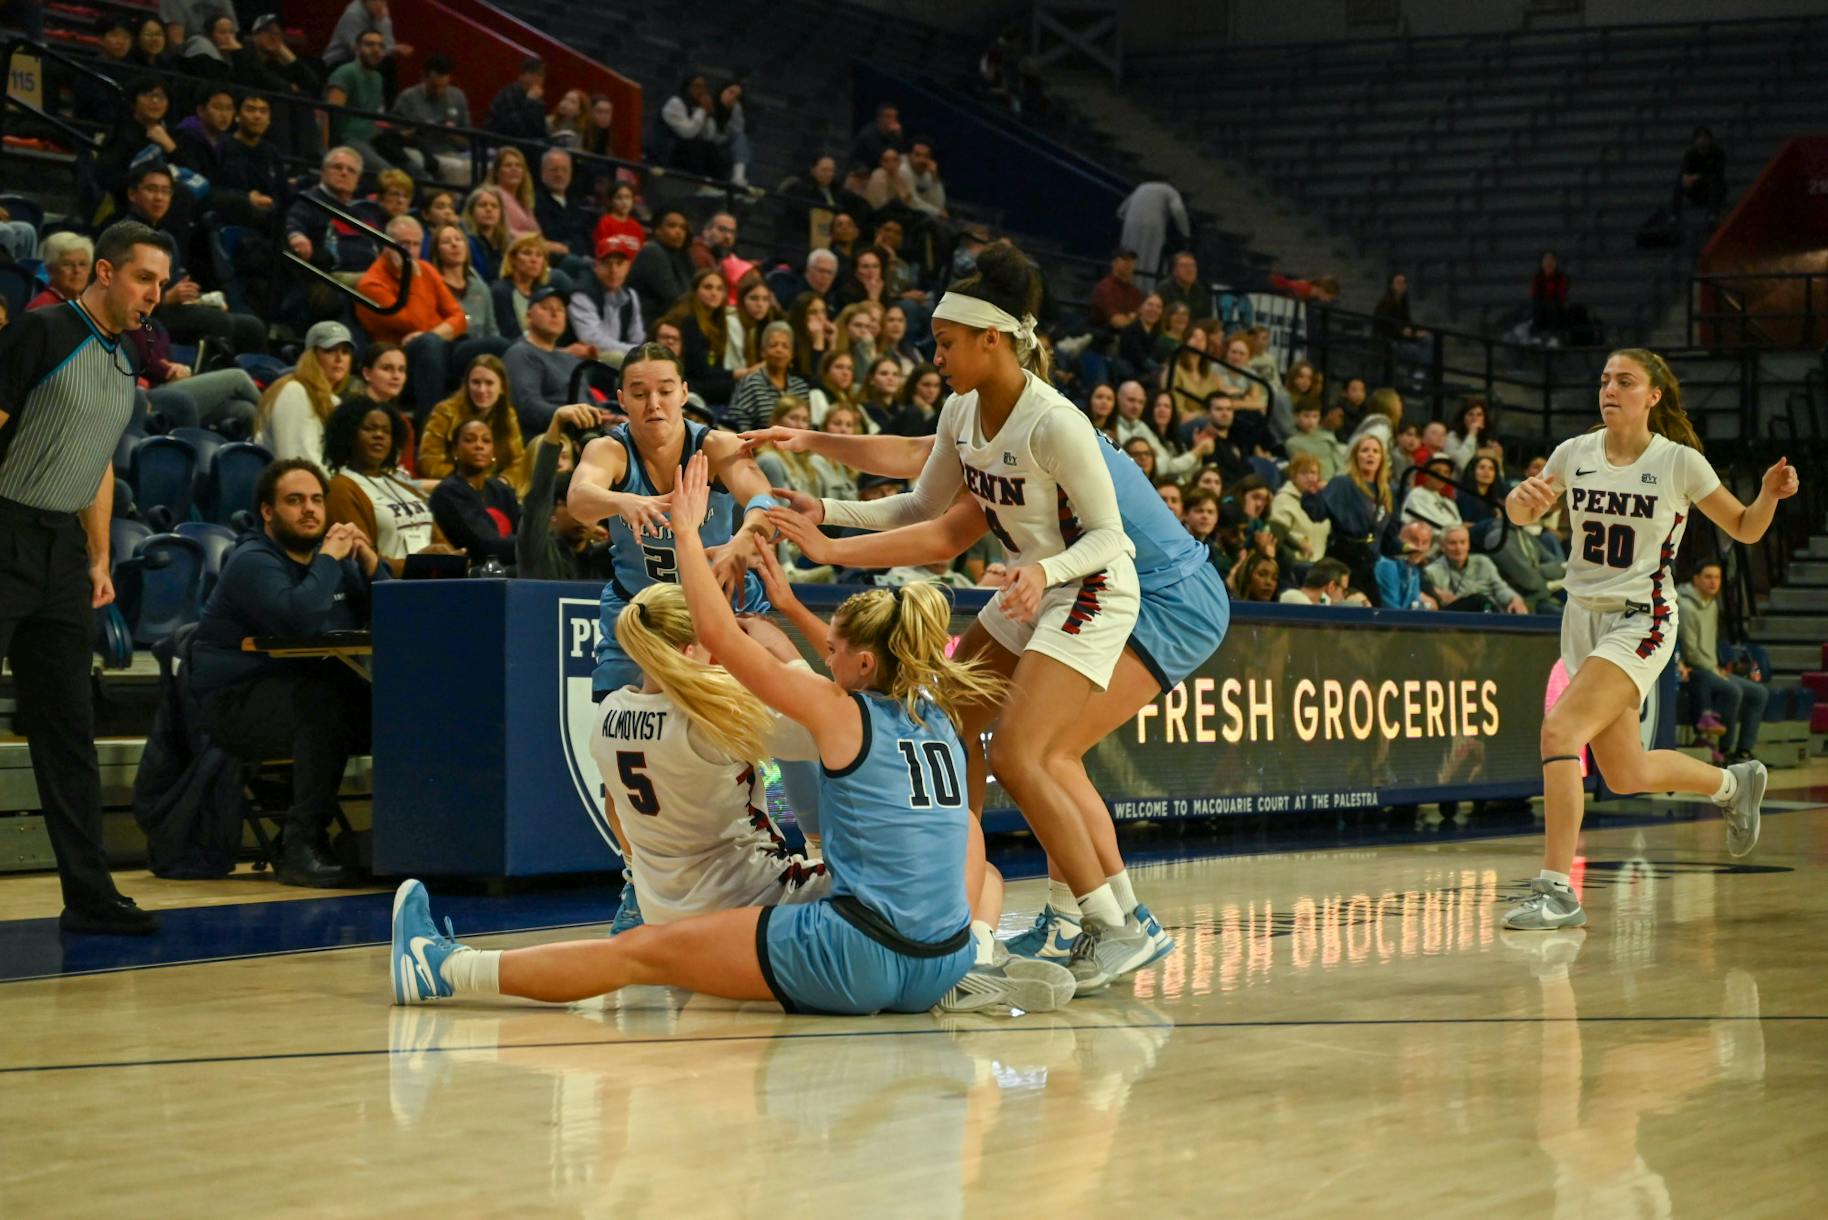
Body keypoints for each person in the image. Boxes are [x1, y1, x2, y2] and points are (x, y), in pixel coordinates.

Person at [392, 462, 1073, 1015]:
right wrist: (790, 612)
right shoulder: (934, 710)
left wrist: (688, 535)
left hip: (846, 947)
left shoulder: (626, 716)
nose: (822, 659)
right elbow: (831, 671)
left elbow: (720, 635)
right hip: (936, 958)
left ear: (862, 662)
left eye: (834, 649)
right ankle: (977, 958)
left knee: (640, 953)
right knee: (972, 851)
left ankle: (445, 970)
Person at [753, 244, 1211, 990]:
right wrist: (827, 515)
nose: (935, 356)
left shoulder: (1053, 422)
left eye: (945, 342)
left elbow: (1109, 538)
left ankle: (1113, 924)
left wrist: (1040, 569)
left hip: (1088, 582)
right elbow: (922, 508)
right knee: (950, 712)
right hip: (1033, 584)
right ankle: (955, 895)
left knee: (1023, 756)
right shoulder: (961, 411)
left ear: (991, 339)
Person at [1502, 348, 1796, 931]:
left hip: (1642, 619)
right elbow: (1522, 510)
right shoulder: (1574, 452)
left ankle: (1557, 891)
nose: (1610, 389)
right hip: (1580, 617)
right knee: (1625, 774)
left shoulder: (1679, 463)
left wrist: (1767, 495)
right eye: (1605, 379)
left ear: (1653, 396)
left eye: (1625, 381)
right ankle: (1732, 784)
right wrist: (1519, 502)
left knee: (1560, 730)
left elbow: (1743, 527)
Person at [0, 221, 170, 935]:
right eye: (143, 279)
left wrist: (99, 557)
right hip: (4, 527)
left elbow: (98, 462)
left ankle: (90, 897)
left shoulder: (127, 356)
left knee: (68, 726)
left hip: (64, 553)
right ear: (103, 272)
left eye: (161, 283)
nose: (153, 295)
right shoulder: (40, 334)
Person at [190, 459, 384, 887]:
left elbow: (397, 617)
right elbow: (299, 621)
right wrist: (332, 559)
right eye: (294, 501)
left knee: (401, 706)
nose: (310, 509)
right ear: (267, 512)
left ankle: (408, 840)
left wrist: (370, 562)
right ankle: (301, 846)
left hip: (303, 690)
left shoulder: (333, 561)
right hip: (233, 702)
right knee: (323, 705)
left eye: (316, 500)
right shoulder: (253, 561)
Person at [566, 341, 781, 698]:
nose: (653, 404)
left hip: (722, 605)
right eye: (639, 393)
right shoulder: (610, 450)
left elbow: (765, 500)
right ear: (621, 399)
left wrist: (746, 537)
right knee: (623, 737)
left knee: (757, 742)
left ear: (683, 393)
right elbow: (578, 500)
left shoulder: (717, 446)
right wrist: (621, 501)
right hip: (642, 613)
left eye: (665, 391)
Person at [355, 214, 478, 415]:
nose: (410, 250)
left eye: (415, 244)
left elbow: (460, 317)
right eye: (403, 244)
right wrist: (412, 278)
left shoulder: (427, 269)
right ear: (387, 245)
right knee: (429, 344)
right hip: (400, 359)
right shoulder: (371, 284)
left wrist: (435, 334)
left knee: (496, 345)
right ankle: (429, 427)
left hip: (440, 345)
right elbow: (414, 322)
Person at [324, 398, 452, 575]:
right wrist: (417, 564)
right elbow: (360, 557)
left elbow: (438, 540)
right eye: (369, 429)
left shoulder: (401, 485)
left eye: (386, 431)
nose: (379, 435)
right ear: (349, 434)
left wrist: (453, 557)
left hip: (428, 582)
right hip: (387, 590)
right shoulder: (340, 488)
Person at [1678, 559, 1769, 765]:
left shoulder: (1712, 604)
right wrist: (1714, 669)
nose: (1713, 582)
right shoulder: (1685, 606)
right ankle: (1725, 749)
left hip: (1712, 668)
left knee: (1759, 693)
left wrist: (1719, 667)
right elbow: (1690, 650)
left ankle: (1744, 750)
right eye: (1708, 577)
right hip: (1695, 670)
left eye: (1717, 577)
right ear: (1695, 579)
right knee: (1733, 690)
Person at [516, 404, 613, 581]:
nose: (583, 516)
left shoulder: (607, 557)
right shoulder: (537, 549)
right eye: (573, 506)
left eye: (591, 510)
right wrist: (557, 424)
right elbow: (538, 498)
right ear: (552, 511)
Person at [417, 353, 527, 487]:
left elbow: (520, 463)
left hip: (496, 487)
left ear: (502, 387)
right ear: (466, 384)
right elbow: (427, 461)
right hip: (453, 486)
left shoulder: (509, 414)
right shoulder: (445, 411)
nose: (481, 390)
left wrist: (503, 482)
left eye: (489, 383)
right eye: (475, 382)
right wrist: (470, 480)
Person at [256, 321, 353, 462]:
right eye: (330, 350)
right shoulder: (294, 391)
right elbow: (294, 458)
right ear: (311, 356)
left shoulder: (335, 402)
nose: (339, 359)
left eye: (345, 352)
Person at [430, 419, 520, 564]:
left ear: (493, 451)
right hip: (474, 572)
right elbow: (485, 545)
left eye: (486, 441)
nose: (479, 445)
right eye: (469, 440)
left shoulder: (502, 491)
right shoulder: (448, 492)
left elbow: (524, 526)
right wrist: (534, 544)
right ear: (455, 450)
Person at [503, 285, 589, 435]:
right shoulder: (521, 354)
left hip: (584, 433)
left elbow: (588, 399)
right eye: (545, 307)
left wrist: (606, 416)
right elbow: (527, 406)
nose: (555, 313)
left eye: (560, 309)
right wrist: (567, 415)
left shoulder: (571, 359)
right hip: (549, 438)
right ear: (528, 316)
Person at [391, 53, 472, 184]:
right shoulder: (408, 98)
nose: (439, 91)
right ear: (423, 77)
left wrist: (452, 133)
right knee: (455, 168)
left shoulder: (458, 96)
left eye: (444, 87)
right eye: (434, 87)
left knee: (476, 167)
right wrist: (416, 131)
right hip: (419, 152)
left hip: (451, 153)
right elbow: (394, 137)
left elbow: (467, 142)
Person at [569, 233, 645, 368]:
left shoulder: (631, 295)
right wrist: (636, 352)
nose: (613, 270)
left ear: (628, 267)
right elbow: (593, 340)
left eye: (619, 263)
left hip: (622, 361)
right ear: (596, 266)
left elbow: (637, 337)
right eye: (606, 263)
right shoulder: (582, 295)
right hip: (586, 364)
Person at [727, 321, 811, 433]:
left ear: (792, 354)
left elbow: (808, 426)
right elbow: (738, 424)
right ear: (763, 352)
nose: (779, 350)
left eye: (785, 346)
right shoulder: (751, 382)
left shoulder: (800, 387)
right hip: (761, 446)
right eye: (773, 345)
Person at [1425, 524, 1527, 614]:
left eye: (1463, 542)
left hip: (1488, 612)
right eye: (1453, 543)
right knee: (1478, 599)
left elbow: (1500, 587)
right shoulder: (1432, 571)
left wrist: (1515, 600)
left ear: (1468, 544)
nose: (1458, 548)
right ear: (1442, 546)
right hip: (1456, 619)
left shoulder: (1483, 562)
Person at [1115, 182, 1190, 289]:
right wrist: (1186, 233)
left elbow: (1120, 211)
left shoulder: (1142, 187)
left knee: (1129, 257)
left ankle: (1125, 288)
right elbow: (1178, 210)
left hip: (1131, 223)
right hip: (1153, 225)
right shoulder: (1171, 191)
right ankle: (1144, 291)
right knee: (1149, 260)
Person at [628, 209, 695, 326]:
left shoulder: (682, 256)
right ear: (657, 230)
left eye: (683, 228)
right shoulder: (652, 251)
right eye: (672, 226)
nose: (678, 231)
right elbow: (673, 296)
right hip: (648, 323)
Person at [485, 57, 549, 144]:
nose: (537, 79)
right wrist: (530, 102)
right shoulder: (508, 95)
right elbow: (513, 128)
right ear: (521, 76)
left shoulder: (539, 103)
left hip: (526, 145)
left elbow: (540, 132)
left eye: (541, 75)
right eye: (533, 74)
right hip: (499, 142)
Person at [1674, 126, 1726, 222]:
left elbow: (1718, 173)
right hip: (1696, 189)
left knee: (1713, 180)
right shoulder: (1690, 154)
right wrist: (1686, 178)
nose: (1702, 140)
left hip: (1714, 189)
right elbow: (1685, 171)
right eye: (1700, 137)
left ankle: (1712, 215)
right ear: (1695, 140)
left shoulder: (1718, 153)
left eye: (1705, 137)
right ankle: (1674, 215)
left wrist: (1697, 177)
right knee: (1679, 181)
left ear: (1710, 139)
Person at [1279, 557, 1366, 606]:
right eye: (1343, 591)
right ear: (1331, 587)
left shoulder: (1320, 605)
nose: (1342, 598)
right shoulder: (1293, 599)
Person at [1530, 253, 1569, 345]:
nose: (1548, 263)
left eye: (1551, 260)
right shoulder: (1537, 278)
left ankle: (1554, 336)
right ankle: (1536, 336)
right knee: (1538, 305)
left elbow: (1562, 295)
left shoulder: (1561, 278)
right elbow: (1534, 294)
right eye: (1546, 260)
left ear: (1555, 263)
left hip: (1556, 305)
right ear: (1542, 263)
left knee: (1551, 305)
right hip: (1541, 305)